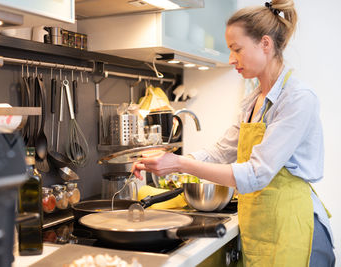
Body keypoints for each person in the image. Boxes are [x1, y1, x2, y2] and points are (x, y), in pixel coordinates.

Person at [132, 0, 335, 266]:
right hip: (261, 228)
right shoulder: (253, 101)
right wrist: (166, 161)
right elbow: (220, 152)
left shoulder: (297, 99)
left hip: (293, 228)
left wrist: (180, 163)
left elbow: (255, 174)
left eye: (236, 49)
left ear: (265, 44)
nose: (231, 59)